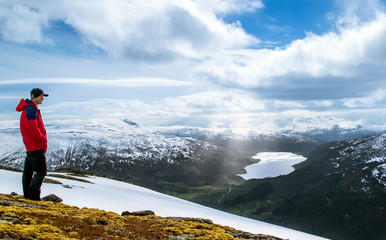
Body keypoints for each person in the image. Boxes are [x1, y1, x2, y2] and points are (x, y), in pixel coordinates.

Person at [16, 88, 49, 200]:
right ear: (35, 96)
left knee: (28, 172)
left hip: (31, 146)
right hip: (36, 146)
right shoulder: (31, 109)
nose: (43, 98)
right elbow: (32, 127)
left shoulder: (29, 108)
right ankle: (33, 197)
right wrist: (41, 138)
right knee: (41, 172)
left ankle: (27, 195)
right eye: (41, 96)